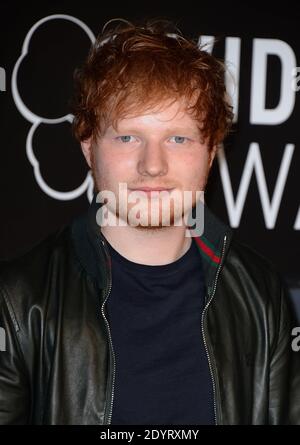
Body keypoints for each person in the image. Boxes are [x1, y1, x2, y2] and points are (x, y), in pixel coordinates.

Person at [0, 18, 299, 426]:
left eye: (178, 138)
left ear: (211, 152)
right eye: (128, 137)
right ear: (89, 146)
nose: (153, 166)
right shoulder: (18, 301)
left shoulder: (261, 295)